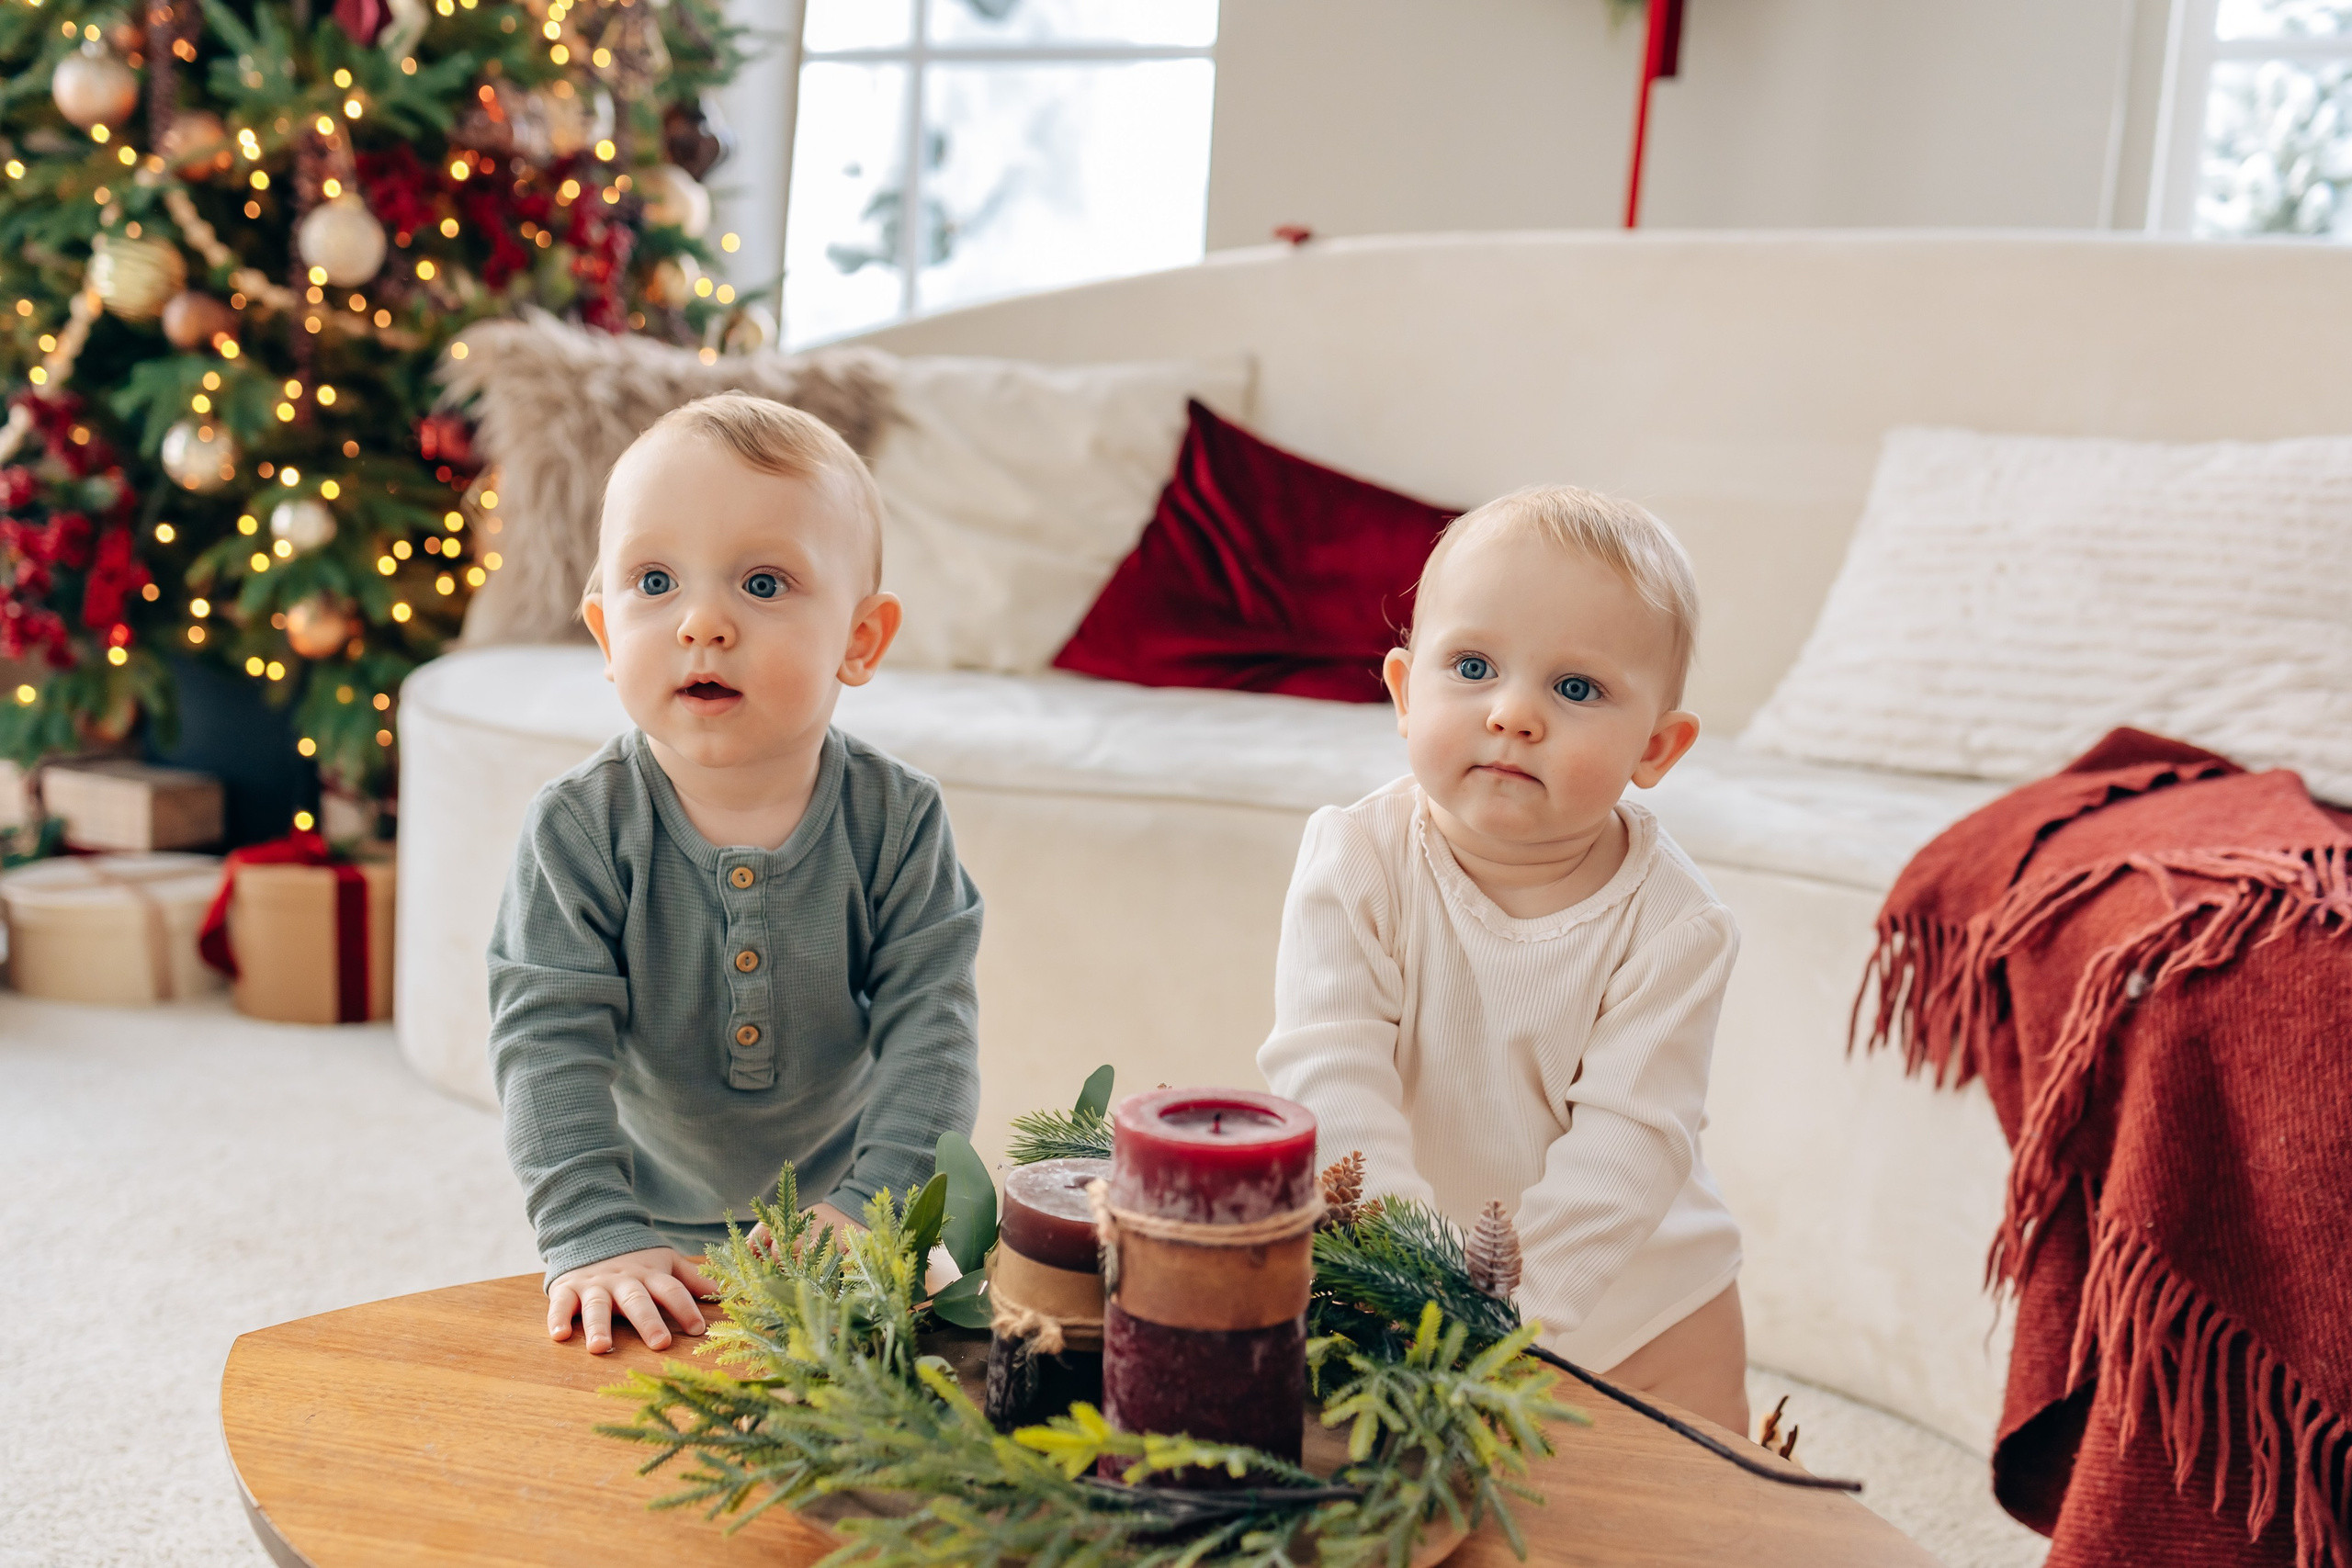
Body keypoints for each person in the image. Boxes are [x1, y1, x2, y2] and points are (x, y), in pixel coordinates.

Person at [488, 393, 983, 1355]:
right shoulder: (577, 829)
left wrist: (874, 1207)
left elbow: (935, 1030)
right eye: (656, 580)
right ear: (603, 631)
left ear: (860, 640)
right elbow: (545, 1045)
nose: (702, 623)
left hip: (849, 1223)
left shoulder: (898, 819)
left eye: (761, 584)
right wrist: (591, 1232)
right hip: (645, 1236)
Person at [1259, 485, 1748, 1432]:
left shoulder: (1676, 926)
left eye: (1576, 689)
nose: (1514, 713)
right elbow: (1333, 1077)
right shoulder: (1356, 860)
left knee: (1696, 1520)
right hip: (1417, 1292)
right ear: (1404, 694)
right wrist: (1413, 1294)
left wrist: (1505, 1326)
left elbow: (1628, 1149)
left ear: (1657, 747)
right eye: (1473, 666)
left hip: (1650, 1303)